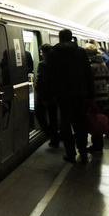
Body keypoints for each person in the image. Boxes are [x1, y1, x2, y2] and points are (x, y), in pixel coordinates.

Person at [43, 29, 94, 163]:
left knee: (65, 123)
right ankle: (83, 152)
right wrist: (90, 94)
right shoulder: (81, 51)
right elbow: (88, 74)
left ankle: (70, 153)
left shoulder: (53, 53)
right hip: (80, 94)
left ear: (59, 38)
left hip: (62, 95)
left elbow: (49, 76)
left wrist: (48, 95)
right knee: (80, 123)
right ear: (71, 38)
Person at [85, 43, 109, 154]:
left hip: (94, 97)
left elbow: (88, 82)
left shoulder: (90, 66)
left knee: (94, 120)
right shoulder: (102, 63)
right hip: (104, 95)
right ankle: (98, 145)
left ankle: (96, 146)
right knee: (99, 119)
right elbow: (107, 77)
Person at [34, 44, 59, 148]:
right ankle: (55, 139)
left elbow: (42, 81)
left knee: (39, 114)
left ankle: (51, 136)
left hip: (45, 96)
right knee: (53, 117)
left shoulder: (43, 64)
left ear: (44, 52)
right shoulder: (58, 62)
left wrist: (43, 97)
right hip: (56, 95)